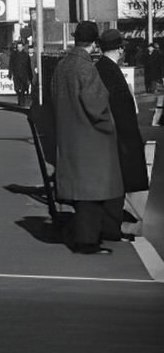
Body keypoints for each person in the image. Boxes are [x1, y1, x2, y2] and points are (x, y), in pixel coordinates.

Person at [50, 20, 124, 255]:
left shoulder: (63, 66)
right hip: (90, 137)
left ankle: (86, 237)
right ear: (94, 43)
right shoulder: (86, 68)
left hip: (69, 134)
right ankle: (88, 242)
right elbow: (96, 105)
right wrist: (109, 124)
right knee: (94, 192)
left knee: (82, 193)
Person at [95, 28, 149, 240]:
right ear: (119, 49)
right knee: (127, 183)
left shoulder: (101, 68)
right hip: (121, 137)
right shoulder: (110, 71)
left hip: (115, 136)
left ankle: (127, 221)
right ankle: (125, 223)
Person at [9, 42, 33, 107]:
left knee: (23, 89)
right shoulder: (13, 55)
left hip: (24, 74)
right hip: (16, 74)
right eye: (18, 47)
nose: (19, 48)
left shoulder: (26, 55)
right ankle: (19, 97)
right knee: (16, 88)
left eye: (20, 47)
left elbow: (28, 66)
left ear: (23, 47)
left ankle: (22, 101)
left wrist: (30, 76)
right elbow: (11, 65)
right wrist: (10, 73)